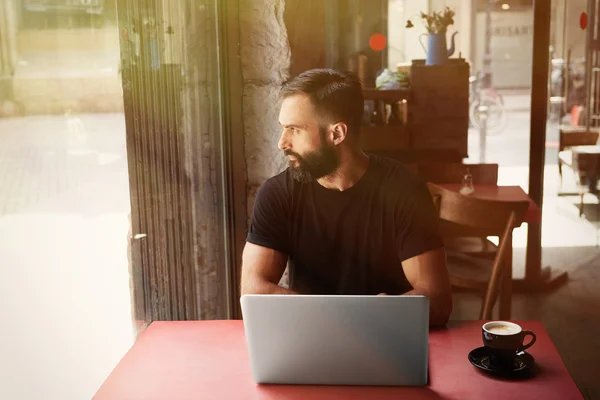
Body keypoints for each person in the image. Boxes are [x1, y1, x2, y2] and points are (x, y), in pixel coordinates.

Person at [240, 68, 452, 327]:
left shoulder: (404, 191)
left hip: (388, 340)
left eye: (294, 129)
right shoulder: (278, 194)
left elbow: (438, 300)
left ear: (337, 134)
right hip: (312, 337)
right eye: (284, 129)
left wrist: (366, 318)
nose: (282, 143)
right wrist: (349, 319)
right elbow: (253, 290)